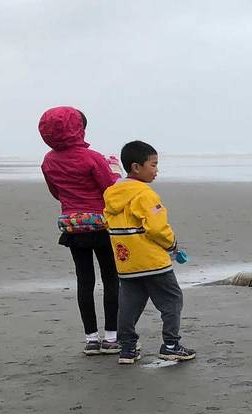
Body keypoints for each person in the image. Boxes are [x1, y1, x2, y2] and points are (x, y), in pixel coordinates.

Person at [103, 140, 196, 365]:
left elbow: (107, 222)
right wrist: (172, 245)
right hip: (152, 261)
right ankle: (171, 345)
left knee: (129, 305)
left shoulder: (112, 194)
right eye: (153, 165)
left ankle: (127, 348)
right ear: (136, 167)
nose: (156, 170)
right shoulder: (145, 194)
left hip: (126, 261)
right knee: (172, 299)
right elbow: (156, 228)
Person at [39, 106, 121, 356]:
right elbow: (110, 189)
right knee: (110, 278)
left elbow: (56, 193)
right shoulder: (92, 158)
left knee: (84, 281)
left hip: (73, 226)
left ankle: (91, 339)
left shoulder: (49, 160)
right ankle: (111, 337)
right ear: (79, 128)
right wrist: (115, 170)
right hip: (101, 224)